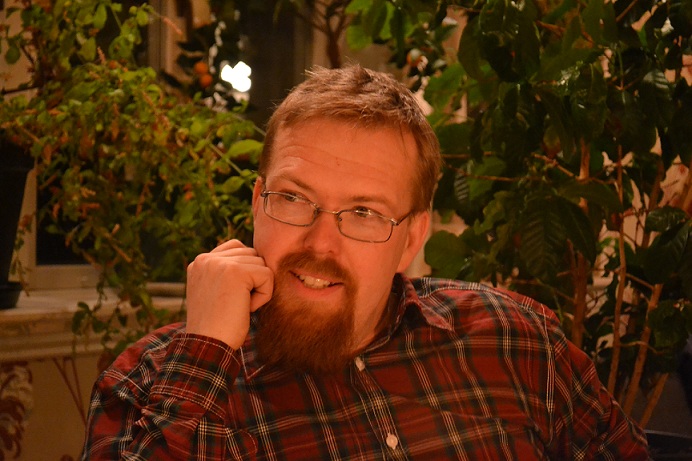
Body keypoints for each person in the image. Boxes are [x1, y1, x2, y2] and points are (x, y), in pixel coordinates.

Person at [80, 65, 650, 460]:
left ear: (412, 238)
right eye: (294, 199)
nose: (321, 244)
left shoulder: (518, 343)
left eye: (364, 212)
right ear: (256, 203)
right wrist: (205, 355)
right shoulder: (149, 381)